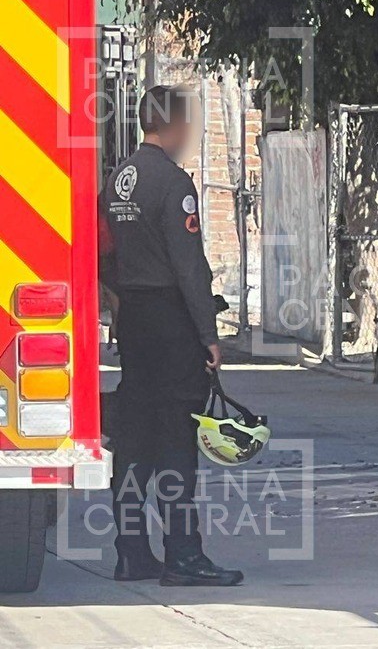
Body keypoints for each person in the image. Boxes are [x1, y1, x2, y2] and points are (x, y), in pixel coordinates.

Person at [100, 85, 242, 586]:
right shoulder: (174, 182)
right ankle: (183, 555)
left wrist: (118, 303)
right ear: (176, 125)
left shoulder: (117, 181)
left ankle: (130, 552)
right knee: (178, 440)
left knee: (134, 437)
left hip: (133, 320)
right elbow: (189, 267)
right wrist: (208, 332)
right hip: (171, 321)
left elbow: (102, 253)